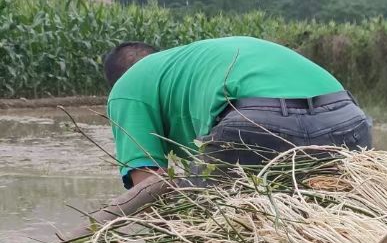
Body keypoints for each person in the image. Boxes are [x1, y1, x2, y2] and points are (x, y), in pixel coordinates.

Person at [103, 36, 373, 188]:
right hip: (346, 117)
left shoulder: (127, 85)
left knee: (201, 214)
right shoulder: (187, 62)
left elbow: (148, 184)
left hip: (258, 119)